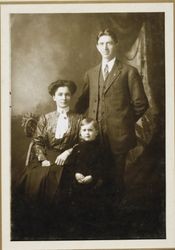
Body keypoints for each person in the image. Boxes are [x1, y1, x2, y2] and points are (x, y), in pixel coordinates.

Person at [75, 28, 149, 199]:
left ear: (116, 44)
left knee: (115, 180)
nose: (105, 47)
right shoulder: (91, 73)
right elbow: (82, 103)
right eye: (101, 44)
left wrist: (123, 121)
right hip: (94, 137)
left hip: (118, 137)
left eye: (109, 43)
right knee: (93, 177)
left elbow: (141, 103)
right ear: (97, 47)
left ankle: (115, 220)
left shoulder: (129, 72)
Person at [16, 80, 82, 238]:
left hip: (69, 157)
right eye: (60, 94)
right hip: (46, 156)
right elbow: (37, 142)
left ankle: (56, 225)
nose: (64, 98)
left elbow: (82, 142)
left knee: (54, 176)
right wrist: (42, 158)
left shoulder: (79, 118)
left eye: (67, 94)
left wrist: (68, 152)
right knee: (36, 176)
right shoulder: (46, 118)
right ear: (54, 97)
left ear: (71, 97)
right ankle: (38, 223)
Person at [59, 118, 109, 236]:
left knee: (93, 207)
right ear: (80, 133)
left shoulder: (101, 149)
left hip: (93, 185)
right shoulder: (77, 148)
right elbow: (70, 164)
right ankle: (76, 228)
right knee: (75, 206)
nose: (87, 133)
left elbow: (103, 167)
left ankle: (91, 229)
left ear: (96, 132)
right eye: (84, 130)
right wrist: (76, 173)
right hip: (77, 184)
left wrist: (92, 176)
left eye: (90, 130)